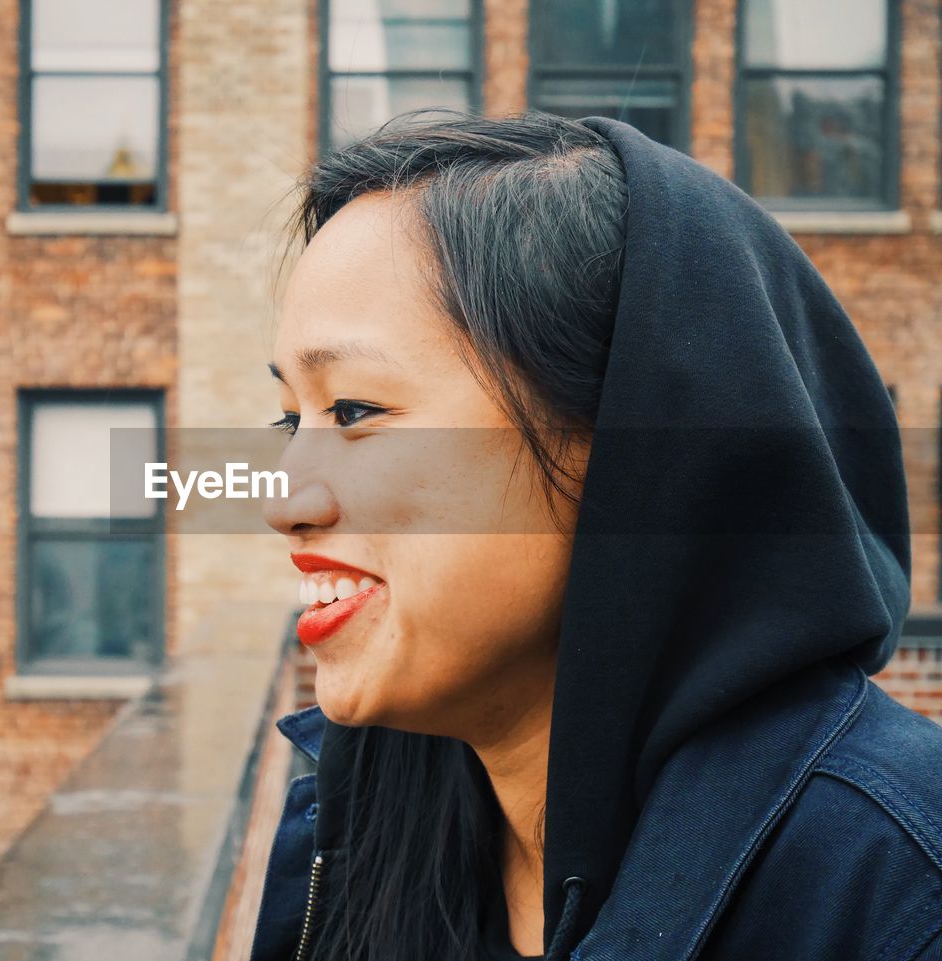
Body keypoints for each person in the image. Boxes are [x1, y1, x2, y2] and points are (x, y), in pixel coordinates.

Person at [250, 110, 942, 961]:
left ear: (626, 447)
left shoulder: (894, 890)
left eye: (355, 410)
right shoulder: (357, 831)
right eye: (293, 416)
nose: (283, 499)